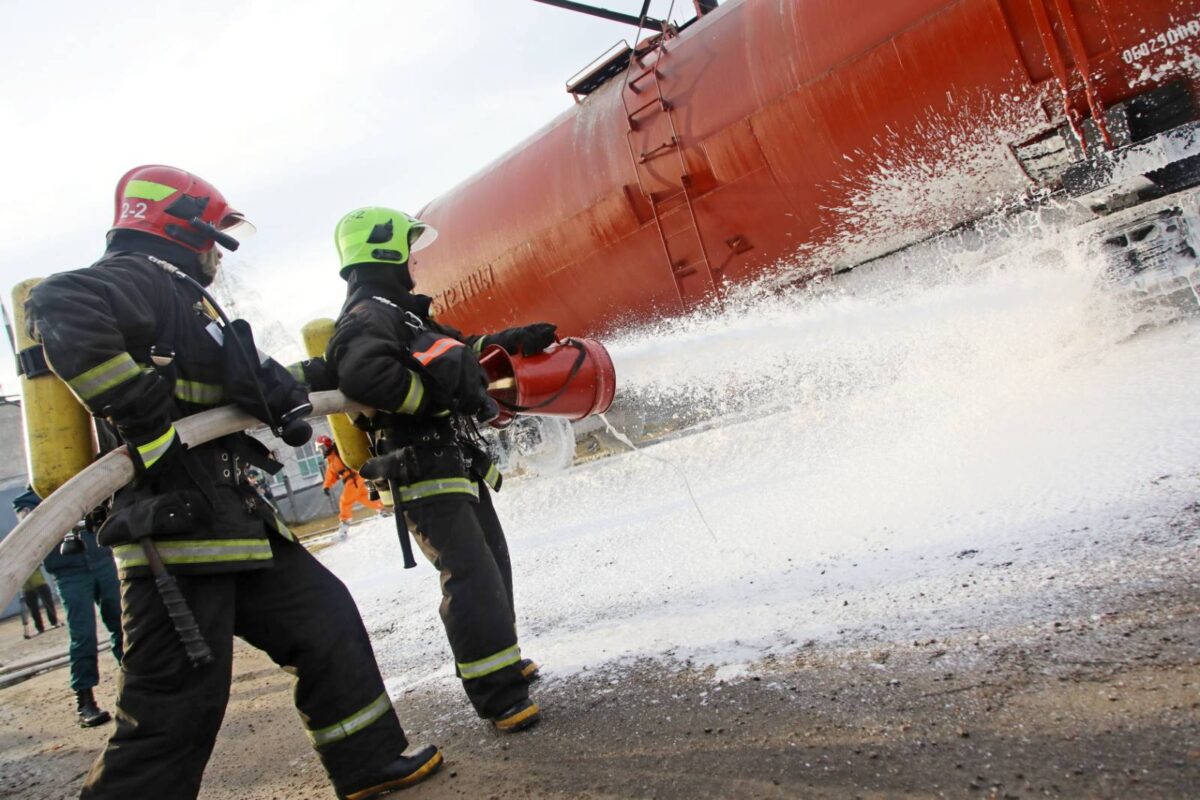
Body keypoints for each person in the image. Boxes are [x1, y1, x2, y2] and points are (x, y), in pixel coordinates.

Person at [26, 166, 441, 799]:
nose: (217, 250)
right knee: (175, 705)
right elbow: (59, 307)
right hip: (178, 535)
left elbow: (234, 369)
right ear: (179, 226)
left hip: (234, 523)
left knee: (325, 625)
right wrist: (147, 422)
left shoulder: (182, 300)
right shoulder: (133, 277)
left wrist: (283, 389)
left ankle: (368, 764)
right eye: (213, 235)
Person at [326, 206, 555, 733]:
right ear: (383, 250)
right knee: (470, 575)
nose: (412, 260)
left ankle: (502, 658)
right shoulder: (368, 315)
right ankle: (498, 695)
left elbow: (454, 350)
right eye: (406, 248)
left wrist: (508, 341)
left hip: (451, 460)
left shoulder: (402, 313)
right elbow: (366, 377)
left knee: (491, 563)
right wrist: (437, 401)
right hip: (421, 466)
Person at [13, 488, 123, 727]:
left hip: (103, 560)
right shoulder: (30, 501)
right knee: (83, 635)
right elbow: (29, 529)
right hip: (70, 573)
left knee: (123, 625)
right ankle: (85, 700)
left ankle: (138, 685)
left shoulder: (85, 481)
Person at [317, 434, 383, 538]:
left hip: (354, 479)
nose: (321, 451)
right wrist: (327, 485)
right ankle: (384, 509)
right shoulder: (331, 458)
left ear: (327, 445)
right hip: (355, 479)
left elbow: (347, 460)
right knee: (364, 497)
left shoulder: (338, 452)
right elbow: (331, 473)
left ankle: (344, 527)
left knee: (345, 502)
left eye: (322, 448)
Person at [18, 562, 59, 635]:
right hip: (27, 588)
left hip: (40, 583)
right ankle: (40, 628)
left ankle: (54, 622)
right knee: (34, 609)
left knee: (49, 603)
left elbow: (39, 563)